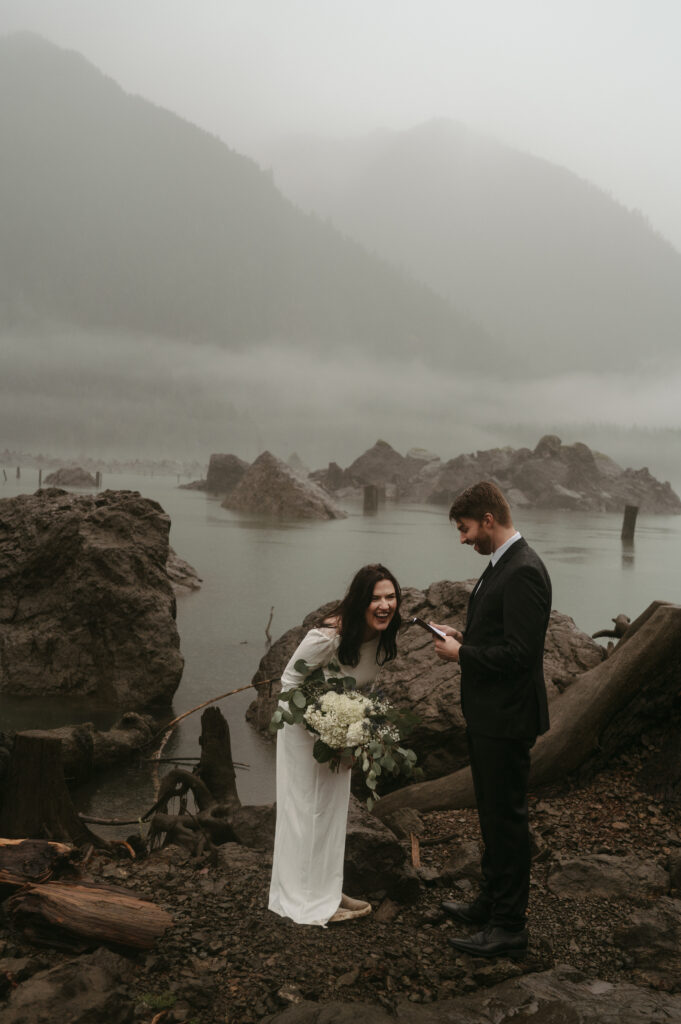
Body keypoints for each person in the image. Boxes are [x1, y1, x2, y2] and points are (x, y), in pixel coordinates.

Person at [430, 481, 551, 958]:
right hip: (490, 717)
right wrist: (468, 636)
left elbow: (522, 655)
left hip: (507, 718)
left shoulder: (523, 571)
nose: (463, 539)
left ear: (487, 520)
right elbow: (501, 635)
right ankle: (490, 901)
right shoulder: (500, 566)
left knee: (506, 820)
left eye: (464, 529)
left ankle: (508, 927)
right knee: (492, 815)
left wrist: (462, 654)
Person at [268, 563, 402, 926]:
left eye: (390, 597)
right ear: (360, 601)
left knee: (331, 812)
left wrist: (354, 728)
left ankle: (326, 888)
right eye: (375, 598)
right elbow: (290, 680)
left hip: (339, 732)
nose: (384, 605)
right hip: (305, 730)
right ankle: (305, 901)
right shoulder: (329, 637)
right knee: (307, 812)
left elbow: (358, 689)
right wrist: (321, 728)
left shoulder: (381, 636)